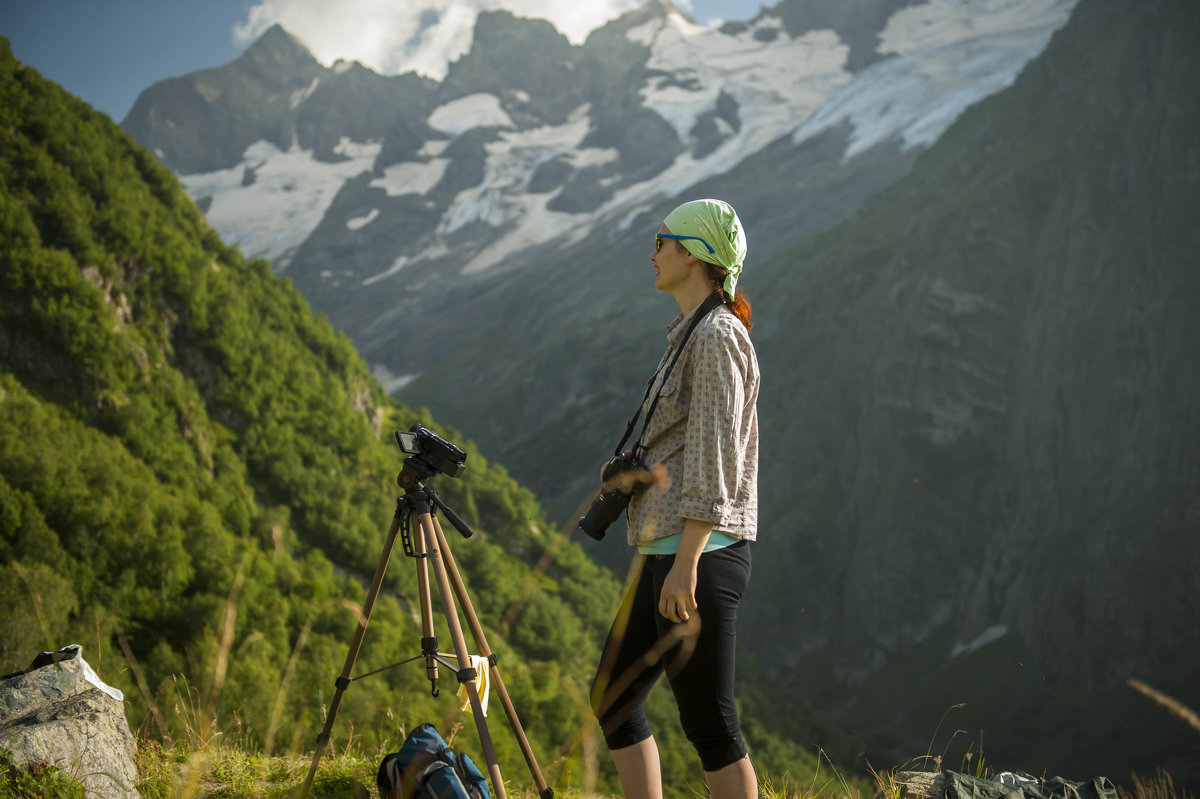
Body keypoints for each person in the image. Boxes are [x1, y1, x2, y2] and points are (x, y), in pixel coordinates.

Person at [590, 199, 759, 799]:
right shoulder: (693, 332)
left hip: (699, 555)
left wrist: (685, 565)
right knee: (613, 696)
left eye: (662, 240)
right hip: (672, 550)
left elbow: (716, 459)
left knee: (711, 725)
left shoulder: (715, 336)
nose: (653, 252)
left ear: (693, 254)